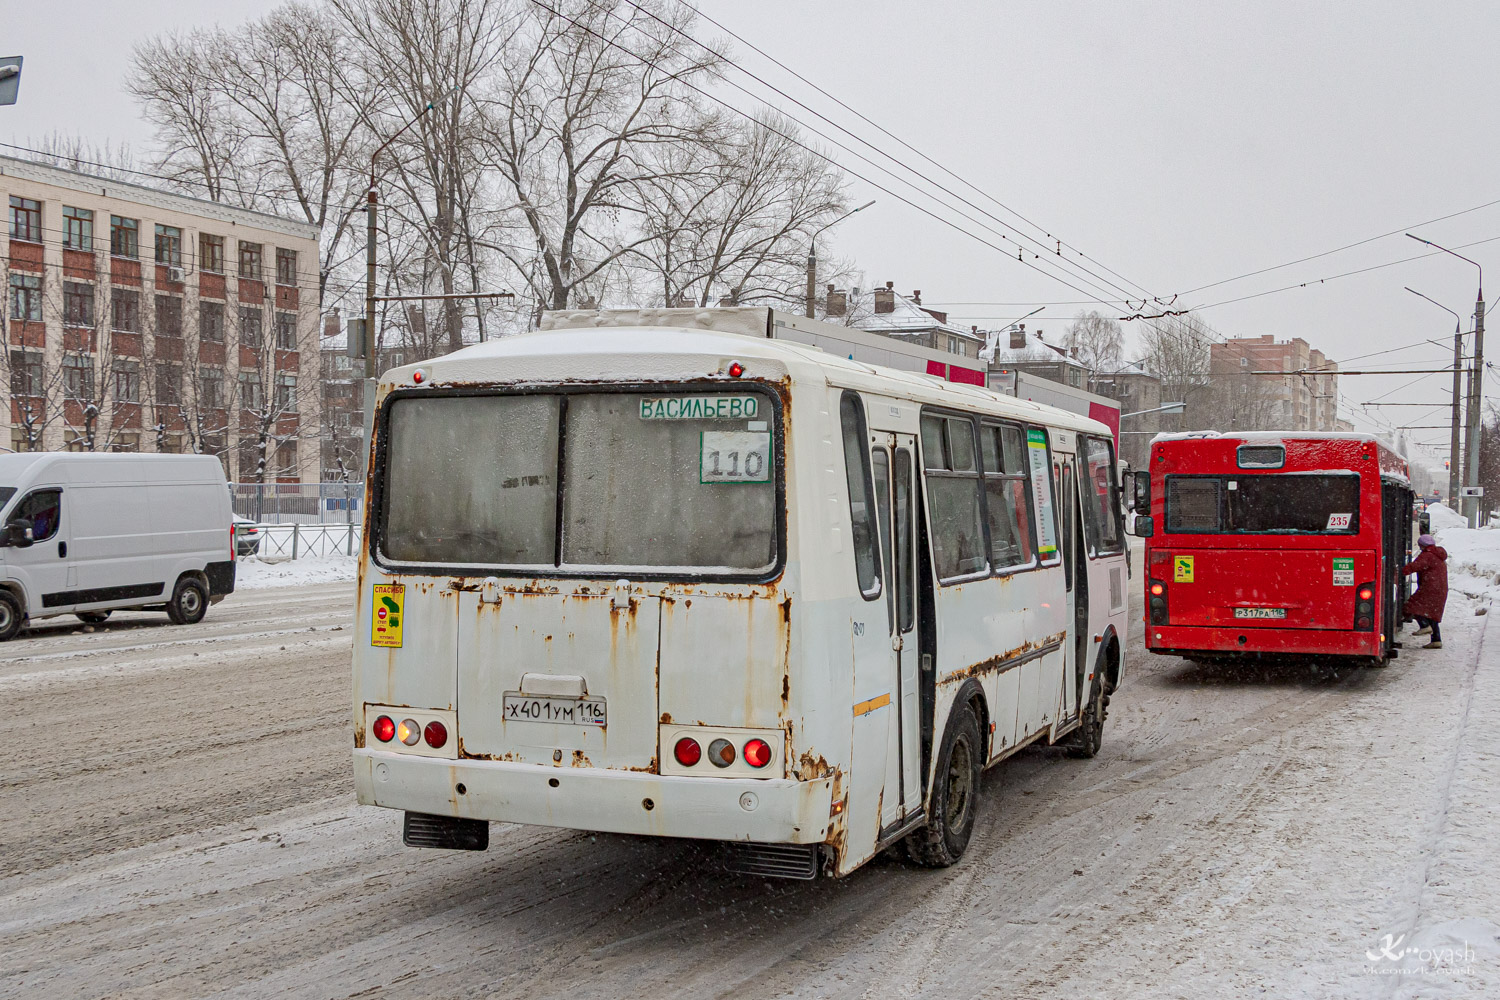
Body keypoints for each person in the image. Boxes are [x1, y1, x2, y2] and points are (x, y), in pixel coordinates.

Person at [1402, 534, 1449, 649]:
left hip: (1430, 587)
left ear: (1422, 545)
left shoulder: (1427, 555)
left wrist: (1402, 570)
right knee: (1431, 613)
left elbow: (1416, 566)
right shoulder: (1438, 554)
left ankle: (1424, 626)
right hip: (1440, 588)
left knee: (1412, 605)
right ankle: (1436, 640)